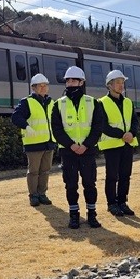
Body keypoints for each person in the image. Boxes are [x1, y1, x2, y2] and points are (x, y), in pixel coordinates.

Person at [51, 66, 105, 229]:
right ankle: (74, 215)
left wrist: (86, 145)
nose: (70, 83)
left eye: (74, 80)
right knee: (71, 184)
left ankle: (92, 214)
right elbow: (56, 129)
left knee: (90, 183)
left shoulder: (93, 102)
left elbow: (98, 126)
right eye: (68, 80)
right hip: (68, 152)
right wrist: (71, 145)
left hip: (87, 151)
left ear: (81, 82)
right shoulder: (58, 104)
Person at [11, 73, 57, 207]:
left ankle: (42, 193)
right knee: (34, 171)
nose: (43, 88)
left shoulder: (51, 102)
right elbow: (15, 117)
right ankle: (33, 195)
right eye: (40, 86)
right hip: (33, 143)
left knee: (45, 170)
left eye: (45, 85)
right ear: (33, 88)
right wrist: (26, 126)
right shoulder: (26, 102)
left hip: (48, 142)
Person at [98, 70, 139, 216]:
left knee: (125, 175)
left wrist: (131, 134)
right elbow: (103, 126)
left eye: (122, 82)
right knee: (112, 176)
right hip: (112, 145)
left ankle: (122, 202)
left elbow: (134, 121)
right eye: (118, 82)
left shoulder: (128, 102)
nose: (121, 85)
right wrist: (122, 135)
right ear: (109, 85)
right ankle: (111, 204)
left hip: (127, 144)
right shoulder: (102, 102)